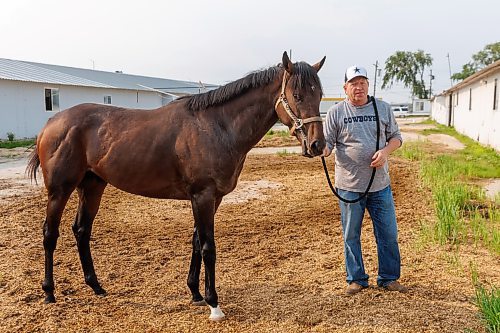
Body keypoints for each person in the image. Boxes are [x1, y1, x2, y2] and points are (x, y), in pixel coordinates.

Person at [322, 65, 408, 295]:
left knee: (388, 233)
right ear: (345, 88)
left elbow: (397, 138)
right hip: (349, 187)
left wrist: (386, 152)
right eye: (353, 83)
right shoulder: (336, 113)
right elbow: (328, 144)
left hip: (380, 186)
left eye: (362, 82)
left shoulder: (382, 108)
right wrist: (321, 149)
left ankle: (389, 278)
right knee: (351, 234)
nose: (358, 87)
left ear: (368, 85)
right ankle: (357, 279)